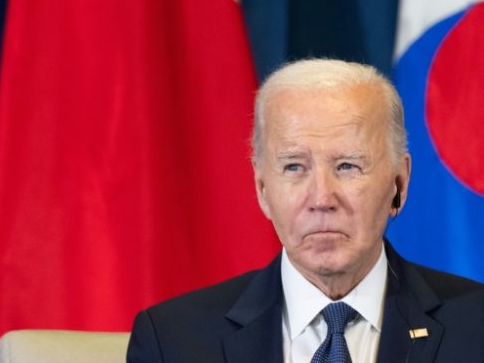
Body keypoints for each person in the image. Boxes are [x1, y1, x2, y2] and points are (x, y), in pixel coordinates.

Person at [127, 58, 484, 362]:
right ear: (262, 189)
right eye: (294, 167)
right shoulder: (173, 342)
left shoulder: (475, 327)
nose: (321, 198)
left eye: (347, 166)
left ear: (399, 183)